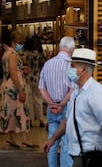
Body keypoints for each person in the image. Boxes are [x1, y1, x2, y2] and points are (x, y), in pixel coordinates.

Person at [43, 48, 102, 167]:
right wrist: (52, 140)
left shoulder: (96, 93)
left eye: (73, 66)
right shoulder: (76, 92)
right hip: (77, 154)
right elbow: (67, 120)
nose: (69, 70)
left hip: (90, 155)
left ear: (83, 69)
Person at [0, 31, 37, 148]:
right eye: (20, 43)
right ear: (14, 43)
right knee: (21, 111)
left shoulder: (6, 54)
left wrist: (22, 70)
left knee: (9, 112)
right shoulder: (13, 55)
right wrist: (21, 89)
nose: (21, 45)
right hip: (14, 87)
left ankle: (9, 137)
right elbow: (13, 73)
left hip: (7, 85)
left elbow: (11, 71)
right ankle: (25, 138)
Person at [39, 36, 75, 167]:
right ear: (72, 49)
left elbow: (41, 87)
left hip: (51, 109)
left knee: (52, 141)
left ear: (60, 47)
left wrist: (51, 103)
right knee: (66, 142)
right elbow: (73, 88)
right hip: (66, 107)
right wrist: (62, 104)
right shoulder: (71, 65)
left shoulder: (48, 64)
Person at [20, 36, 46, 127]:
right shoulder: (38, 54)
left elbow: (22, 62)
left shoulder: (24, 54)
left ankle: (30, 120)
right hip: (37, 77)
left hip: (27, 78)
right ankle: (41, 120)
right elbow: (43, 64)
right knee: (38, 99)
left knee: (29, 99)